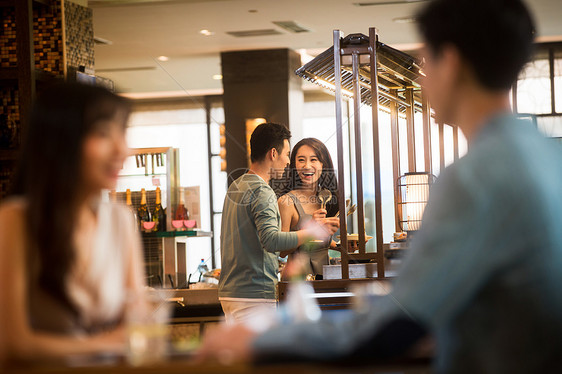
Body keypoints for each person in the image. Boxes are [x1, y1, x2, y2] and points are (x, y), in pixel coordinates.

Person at [198, 0, 562, 372]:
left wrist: (266, 341)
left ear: (450, 63)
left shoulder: (473, 176)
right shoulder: (550, 160)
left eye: (425, 62)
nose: (422, 78)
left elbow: (400, 320)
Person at [0, 83, 146, 363]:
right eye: (103, 133)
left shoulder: (120, 220)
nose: (122, 149)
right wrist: (105, 343)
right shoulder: (16, 219)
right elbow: (13, 344)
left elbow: (135, 328)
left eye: (123, 133)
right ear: (62, 140)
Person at [218, 123, 339, 324]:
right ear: (273, 153)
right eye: (288, 155)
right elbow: (272, 241)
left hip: (230, 292)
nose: (288, 162)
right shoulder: (262, 192)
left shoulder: (236, 185)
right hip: (254, 294)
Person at [277, 138, 338, 279]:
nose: (307, 165)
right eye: (301, 160)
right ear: (294, 165)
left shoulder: (326, 197)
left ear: (323, 164)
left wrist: (344, 246)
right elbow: (281, 251)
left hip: (325, 277)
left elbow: (319, 243)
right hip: (297, 280)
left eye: (314, 159)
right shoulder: (286, 201)